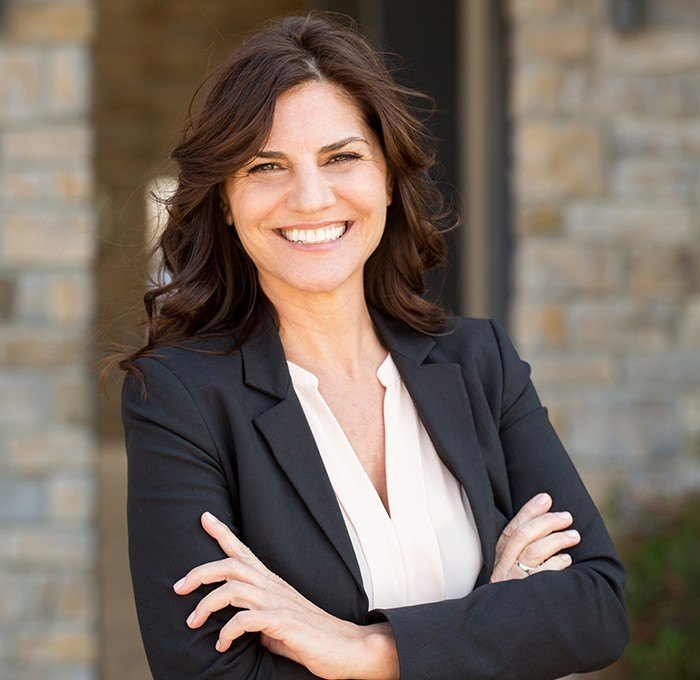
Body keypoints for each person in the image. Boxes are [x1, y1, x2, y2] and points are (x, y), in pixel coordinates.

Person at [111, 11, 629, 679]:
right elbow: (208, 674)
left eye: (341, 157)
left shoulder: (479, 362)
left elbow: (596, 609)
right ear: (226, 202)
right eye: (267, 165)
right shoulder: (179, 397)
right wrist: (495, 619)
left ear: (386, 178)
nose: (310, 197)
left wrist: (363, 650)